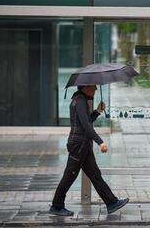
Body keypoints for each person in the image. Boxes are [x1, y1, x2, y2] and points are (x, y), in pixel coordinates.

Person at [49, 85, 129, 216]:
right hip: (79, 145)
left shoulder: (80, 100)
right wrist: (100, 141)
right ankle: (57, 206)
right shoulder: (80, 101)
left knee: (95, 175)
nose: (96, 89)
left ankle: (111, 202)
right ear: (85, 87)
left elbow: (86, 121)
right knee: (69, 176)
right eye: (93, 87)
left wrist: (97, 111)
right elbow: (86, 126)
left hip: (83, 144)